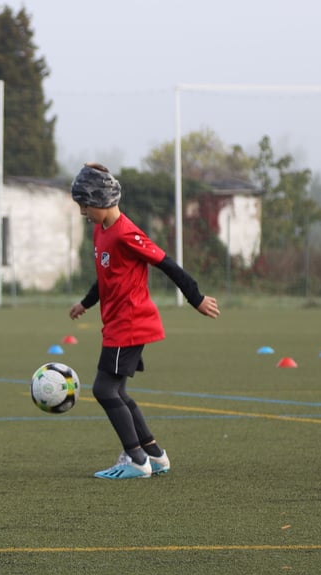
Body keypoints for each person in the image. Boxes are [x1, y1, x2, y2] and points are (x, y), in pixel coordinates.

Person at [67, 163, 220, 480]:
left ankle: (135, 460)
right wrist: (85, 303)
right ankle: (155, 455)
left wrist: (196, 298)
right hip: (117, 324)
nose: (83, 212)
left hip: (130, 323)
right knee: (117, 392)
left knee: (104, 390)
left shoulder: (127, 234)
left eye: (85, 205)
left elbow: (169, 265)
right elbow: (104, 279)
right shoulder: (101, 231)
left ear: (101, 200)